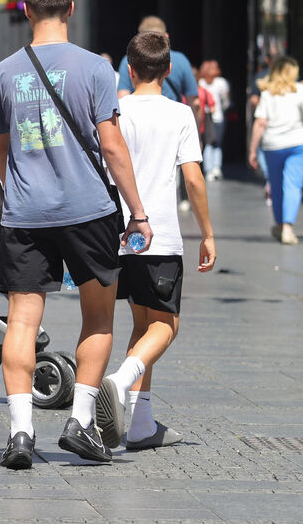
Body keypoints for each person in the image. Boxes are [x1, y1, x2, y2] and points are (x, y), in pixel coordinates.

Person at [0, 0, 152, 470]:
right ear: (71, 9)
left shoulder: (4, 72)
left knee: (21, 316)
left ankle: (19, 432)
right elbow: (111, 144)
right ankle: (80, 421)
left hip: (26, 212)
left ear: (27, 10)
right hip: (89, 210)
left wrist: (20, 185)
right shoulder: (97, 69)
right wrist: (138, 212)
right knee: (98, 314)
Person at [99, 31, 216, 453]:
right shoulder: (180, 114)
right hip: (160, 235)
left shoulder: (114, 110)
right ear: (168, 71)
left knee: (143, 324)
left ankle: (141, 423)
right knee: (167, 325)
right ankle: (119, 380)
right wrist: (206, 233)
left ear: (129, 69)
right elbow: (193, 178)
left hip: (121, 235)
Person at [117, 16, 200, 212]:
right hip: (171, 125)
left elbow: (121, 95)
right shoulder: (180, 60)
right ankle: (179, 202)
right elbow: (193, 100)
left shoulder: (128, 60)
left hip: (134, 124)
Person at [249, 55, 303, 245]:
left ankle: (280, 224)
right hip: (297, 144)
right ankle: (287, 228)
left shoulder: (267, 94)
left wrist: (252, 150)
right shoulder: (300, 92)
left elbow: (260, 123)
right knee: (293, 185)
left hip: (273, 145)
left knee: (276, 186)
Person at [199, 60, 230, 181]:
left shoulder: (201, 82)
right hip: (218, 116)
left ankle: (208, 170)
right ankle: (217, 168)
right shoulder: (221, 82)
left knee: (208, 144)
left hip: (206, 117)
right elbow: (225, 100)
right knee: (217, 144)